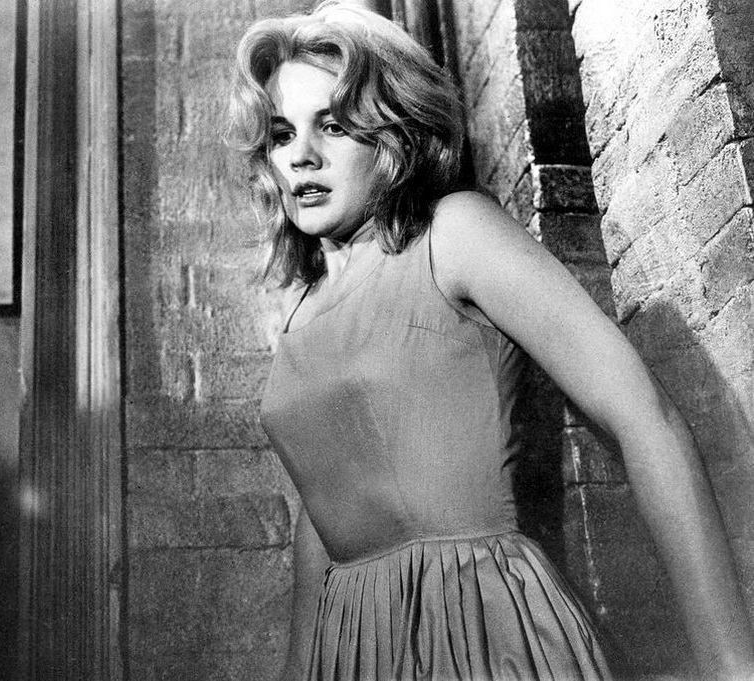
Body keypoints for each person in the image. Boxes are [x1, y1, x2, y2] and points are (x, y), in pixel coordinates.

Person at [227, 2, 754, 679]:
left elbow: (646, 419)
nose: (301, 154)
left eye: (332, 125)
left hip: (481, 627)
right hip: (354, 648)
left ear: (392, 136)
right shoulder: (301, 309)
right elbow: (321, 513)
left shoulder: (455, 234)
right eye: (281, 134)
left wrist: (731, 662)